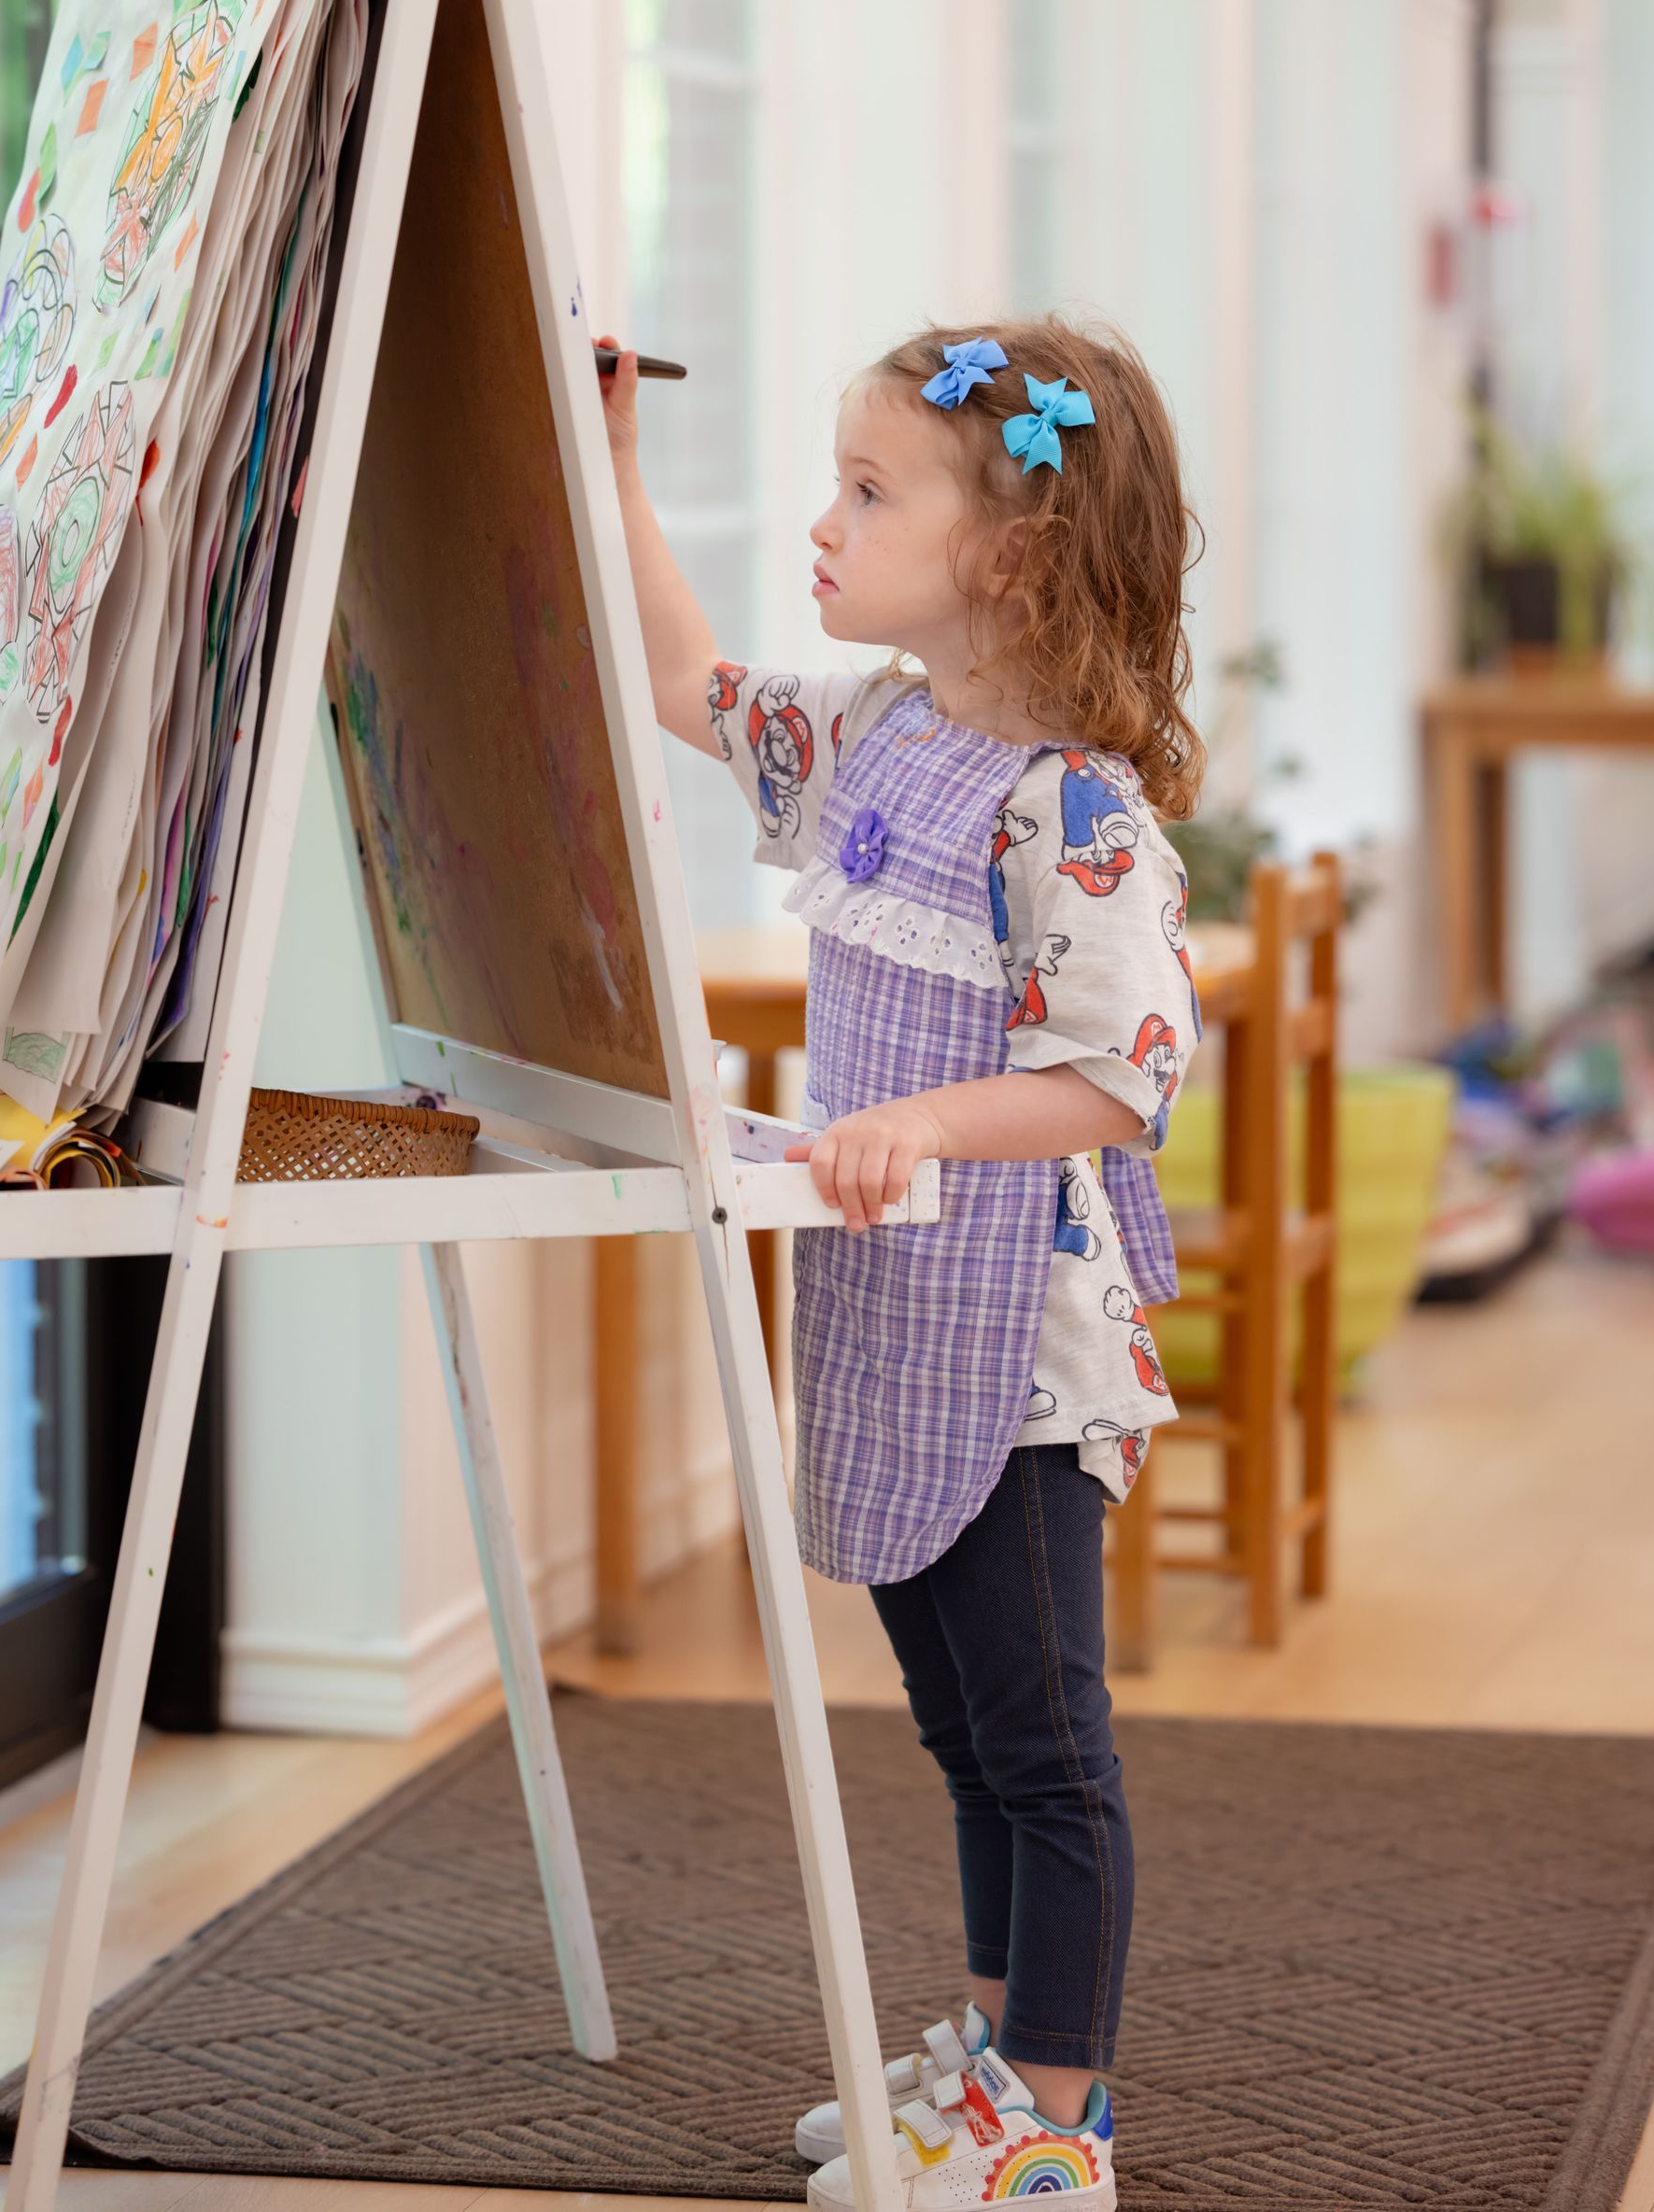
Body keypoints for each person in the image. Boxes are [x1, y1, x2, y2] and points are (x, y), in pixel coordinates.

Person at [600, 317, 1204, 2212]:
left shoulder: (1075, 812)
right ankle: (997, 2049)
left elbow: (1120, 1078)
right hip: (898, 1303)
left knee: (1042, 1743)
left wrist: (928, 1126)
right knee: (960, 1728)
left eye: (871, 492)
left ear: (1008, 556)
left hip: (1020, 1343)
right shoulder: (880, 734)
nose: (826, 525)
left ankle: (1058, 2120)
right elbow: (690, 683)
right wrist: (613, 464)